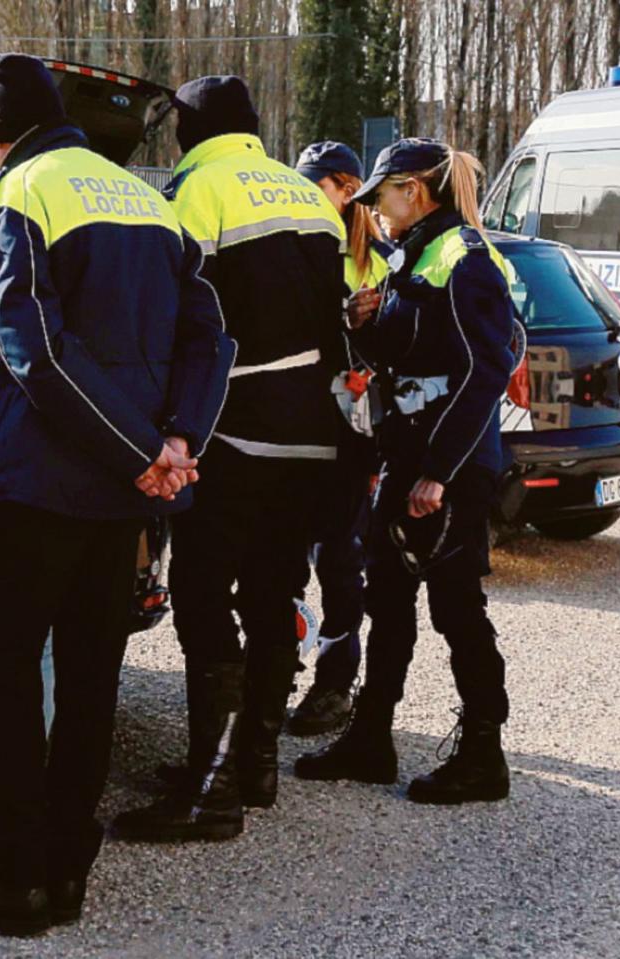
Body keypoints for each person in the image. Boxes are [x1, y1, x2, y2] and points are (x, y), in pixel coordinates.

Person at [0, 55, 233, 935]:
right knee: (92, 678)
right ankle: (64, 869)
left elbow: (36, 352)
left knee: (4, 671)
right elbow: (211, 337)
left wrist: (142, 453)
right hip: (127, 500)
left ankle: (12, 876)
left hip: (45, 487)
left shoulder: (15, 195)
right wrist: (176, 444)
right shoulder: (146, 199)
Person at [112, 76, 347, 843]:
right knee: (275, 591)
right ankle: (253, 766)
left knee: (204, 592)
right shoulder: (309, 195)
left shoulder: (195, 192)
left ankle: (211, 788)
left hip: (234, 432)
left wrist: (166, 428)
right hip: (315, 433)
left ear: (188, 131)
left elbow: (177, 318)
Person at [293, 137, 521, 805]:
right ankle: (371, 738)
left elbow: (484, 372)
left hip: (451, 465)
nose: (373, 210)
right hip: (408, 453)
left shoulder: (465, 258)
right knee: (388, 599)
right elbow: (409, 354)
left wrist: (440, 472)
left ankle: (483, 755)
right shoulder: (416, 253)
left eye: (380, 197)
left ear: (412, 191)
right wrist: (363, 322)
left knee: (457, 608)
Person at [285, 140, 389, 737]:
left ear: (347, 190)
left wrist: (359, 330)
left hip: (350, 435)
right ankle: (278, 669)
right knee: (281, 558)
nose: (304, 194)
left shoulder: (379, 259)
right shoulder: (296, 243)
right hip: (294, 426)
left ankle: (334, 686)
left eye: (316, 185)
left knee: (339, 562)